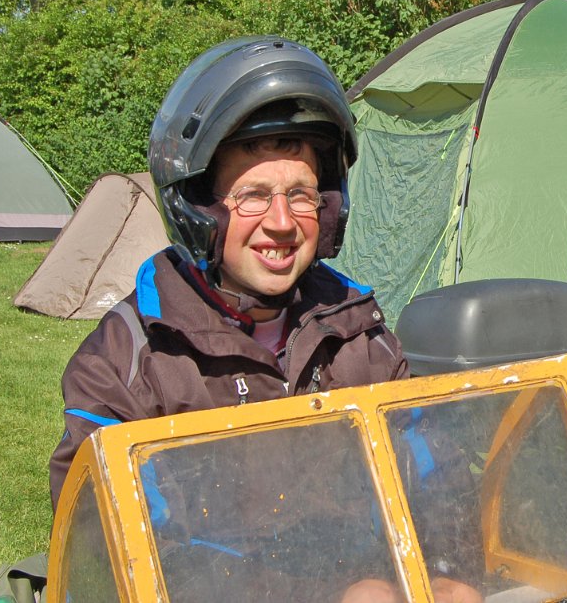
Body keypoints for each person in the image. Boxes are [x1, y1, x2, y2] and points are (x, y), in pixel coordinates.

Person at [49, 36, 409, 500]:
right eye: (253, 196)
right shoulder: (131, 359)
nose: (282, 224)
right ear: (200, 208)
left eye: (300, 194)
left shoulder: (357, 327)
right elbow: (104, 536)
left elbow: (427, 477)